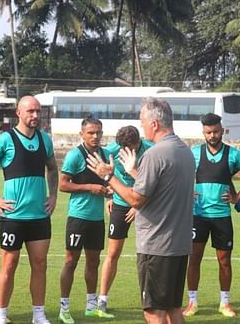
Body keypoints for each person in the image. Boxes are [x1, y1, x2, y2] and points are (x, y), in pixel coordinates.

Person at [87, 97, 195, 324]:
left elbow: (136, 199)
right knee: (173, 309)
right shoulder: (184, 151)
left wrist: (108, 176)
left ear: (154, 123)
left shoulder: (155, 154)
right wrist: (134, 172)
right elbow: (160, 191)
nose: (142, 125)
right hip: (178, 244)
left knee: (153, 312)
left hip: (158, 246)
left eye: (142, 120)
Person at [0, 96, 58, 324]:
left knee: (40, 265)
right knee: (9, 265)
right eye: (30, 111)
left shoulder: (45, 140)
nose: (35, 116)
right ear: (18, 113)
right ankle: (1, 315)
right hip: (13, 217)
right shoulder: (5, 140)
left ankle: (38, 316)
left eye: (38, 111)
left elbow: (52, 168)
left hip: (39, 216)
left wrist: (54, 195)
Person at [183, 113, 240, 318]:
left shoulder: (233, 154)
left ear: (222, 130)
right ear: (203, 132)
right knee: (194, 258)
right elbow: (178, 174)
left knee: (224, 260)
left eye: (215, 131)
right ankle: (192, 302)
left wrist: (237, 198)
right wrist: (187, 191)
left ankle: (225, 303)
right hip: (198, 215)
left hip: (222, 217)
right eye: (208, 132)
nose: (212, 135)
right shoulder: (194, 153)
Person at [57, 116, 114, 324]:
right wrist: (89, 187)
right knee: (71, 261)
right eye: (91, 132)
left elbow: (110, 183)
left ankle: (91, 307)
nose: (95, 136)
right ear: (82, 134)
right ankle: (64, 308)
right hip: (78, 218)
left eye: (98, 132)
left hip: (97, 219)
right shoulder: (75, 156)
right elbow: (63, 185)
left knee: (93, 262)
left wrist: (108, 192)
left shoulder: (106, 155)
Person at [97, 126, 153, 316]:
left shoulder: (151, 151)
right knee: (113, 252)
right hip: (121, 204)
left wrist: (138, 205)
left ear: (140, 141)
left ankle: (151, 300)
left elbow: (156, 184)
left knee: (148, 253)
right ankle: (102, 300)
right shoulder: (111, 151)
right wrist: (109, 196)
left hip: (145, 205)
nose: (130, 152)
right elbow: (102, 172)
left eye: (134, 148)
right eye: (125, 149)